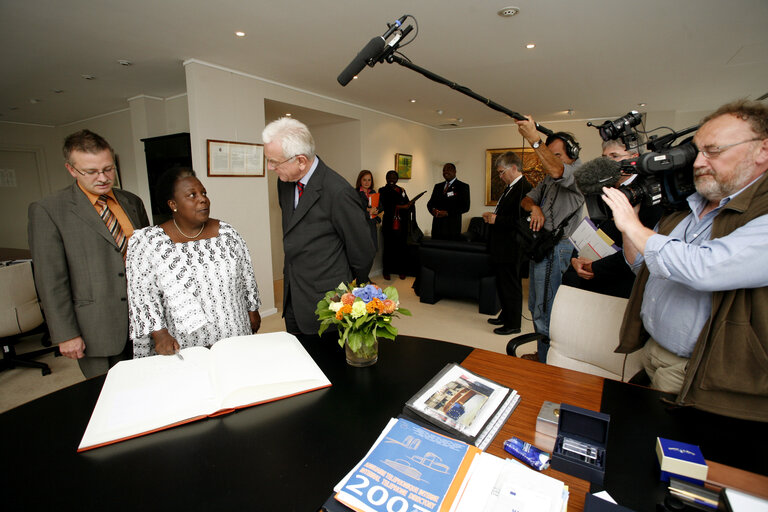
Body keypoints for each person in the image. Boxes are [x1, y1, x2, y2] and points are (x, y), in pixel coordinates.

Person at [602, 99, 768, 421]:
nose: (697, 163)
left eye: (713, 151)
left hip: (700, 372)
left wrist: (632, 225)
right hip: (651, 350)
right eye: (696, 152)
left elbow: (703, 269)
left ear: (762, 150)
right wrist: (631, 224)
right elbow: (644, 268)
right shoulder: (686, 207)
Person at [27, 129, 150, 377]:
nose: (103, 177)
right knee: (108, 398)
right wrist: (66, 333)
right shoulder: (49, 210)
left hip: (146, 320)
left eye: (108, 169)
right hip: (97, 325)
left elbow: (150, 258)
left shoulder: (132, 201)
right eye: (92, 172)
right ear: (72, 170)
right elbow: (51, 280)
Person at [126, 168, 261, 357]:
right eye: (192, 195)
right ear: (173, 204)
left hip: (234, 332)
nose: (202, 199)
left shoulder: (227, 233)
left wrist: (252, 310)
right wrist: (160, 334)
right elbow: (143, 294)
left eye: (203, 193)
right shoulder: (150, 242)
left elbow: (246, 275)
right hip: (185, 343)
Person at [263, 117, 375, 336]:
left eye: (275, 162)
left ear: (301, 161)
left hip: (327, 302)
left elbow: (362, 251)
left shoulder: (339, 192)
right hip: (292, 295)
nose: (270, 167)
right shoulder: (284, 183)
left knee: (326, 365)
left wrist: (345, 285)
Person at [515, 117, 584, 362]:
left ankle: (548, 364)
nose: (550, 161)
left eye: (555, 155)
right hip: (541, 246)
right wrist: (535, 208)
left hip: (558, 249)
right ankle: (543, 353)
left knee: (546, 309)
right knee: (535, 305)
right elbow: (526, 200)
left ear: (572, 155)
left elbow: (557, 169)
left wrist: (534, 140)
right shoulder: (548, 179)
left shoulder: (577, 175)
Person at [562, 139, 664, 298]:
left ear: (634, 157)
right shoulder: (600, 187)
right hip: (586, 283)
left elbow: (642, 250)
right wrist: (576, 259)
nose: (608, 162)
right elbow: (594, 228)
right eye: (604, 157)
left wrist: (595, 267)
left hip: (620, 287)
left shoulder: (649, 191)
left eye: (614, 156)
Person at [482, 152, 532, 335]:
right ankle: (505, 315)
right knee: (503, 283)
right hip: (502, 244)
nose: (500, 176)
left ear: (513, 167)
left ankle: (513, 324)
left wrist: (497, 220)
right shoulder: (511, 187)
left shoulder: (524, 188)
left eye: (502, 172)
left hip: (512, 246)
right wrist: (494, 217)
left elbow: (522, 221)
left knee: (511, 285)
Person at [378, 170, 413, 280]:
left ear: (397, 179)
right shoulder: (382, 190)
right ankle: (386, 271)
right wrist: (400, 206)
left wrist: (409, 205)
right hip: (389, 223)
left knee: (401, 247)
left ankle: (401, 270)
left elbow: (406, 203)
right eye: (389, 177)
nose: (391, 179)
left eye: (394, 177)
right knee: (388, 248)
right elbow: (386, 205)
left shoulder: (402, 190)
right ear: (386, 178)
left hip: (401, 223)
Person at [427, 163, 470, 240]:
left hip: (452, 229)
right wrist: (433, 210)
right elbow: (430, 203)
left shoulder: (463, 186)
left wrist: (447, 213)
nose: (445, 172)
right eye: (444, 170)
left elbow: (465, 207)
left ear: (455, 171)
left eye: (448, 169)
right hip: (437, 228)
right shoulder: (438, 186)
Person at [355, 170, 381, 250]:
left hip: (372, 225)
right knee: (362, 250)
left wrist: (375, 210)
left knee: (371, 250)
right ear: (360, 180)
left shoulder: (373, 192)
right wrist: (368, 211)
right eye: (364, 180)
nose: (367, 182)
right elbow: (355, 210)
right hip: (361, 225)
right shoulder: (355, 193)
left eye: (369, 180)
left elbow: (381, 206)